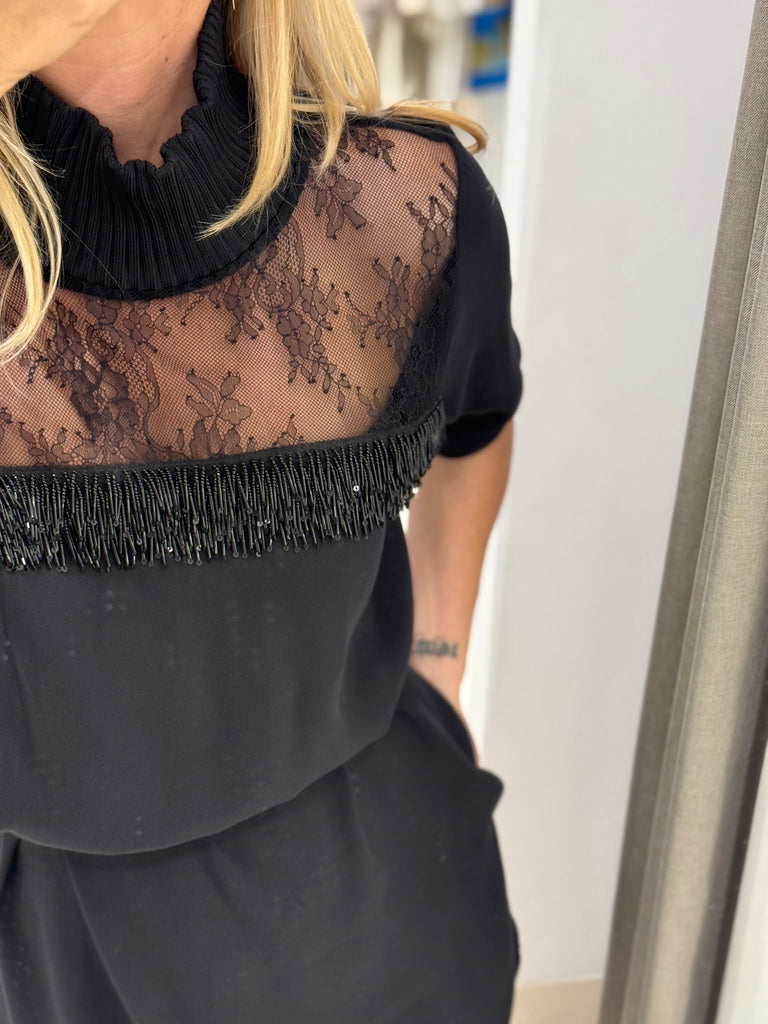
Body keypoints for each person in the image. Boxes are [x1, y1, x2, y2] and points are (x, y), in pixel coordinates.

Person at [0, 0, 523, 1020]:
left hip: (389, 890)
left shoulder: (407, 198)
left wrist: (440, 659)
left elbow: (476, 425)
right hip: (59, 954)